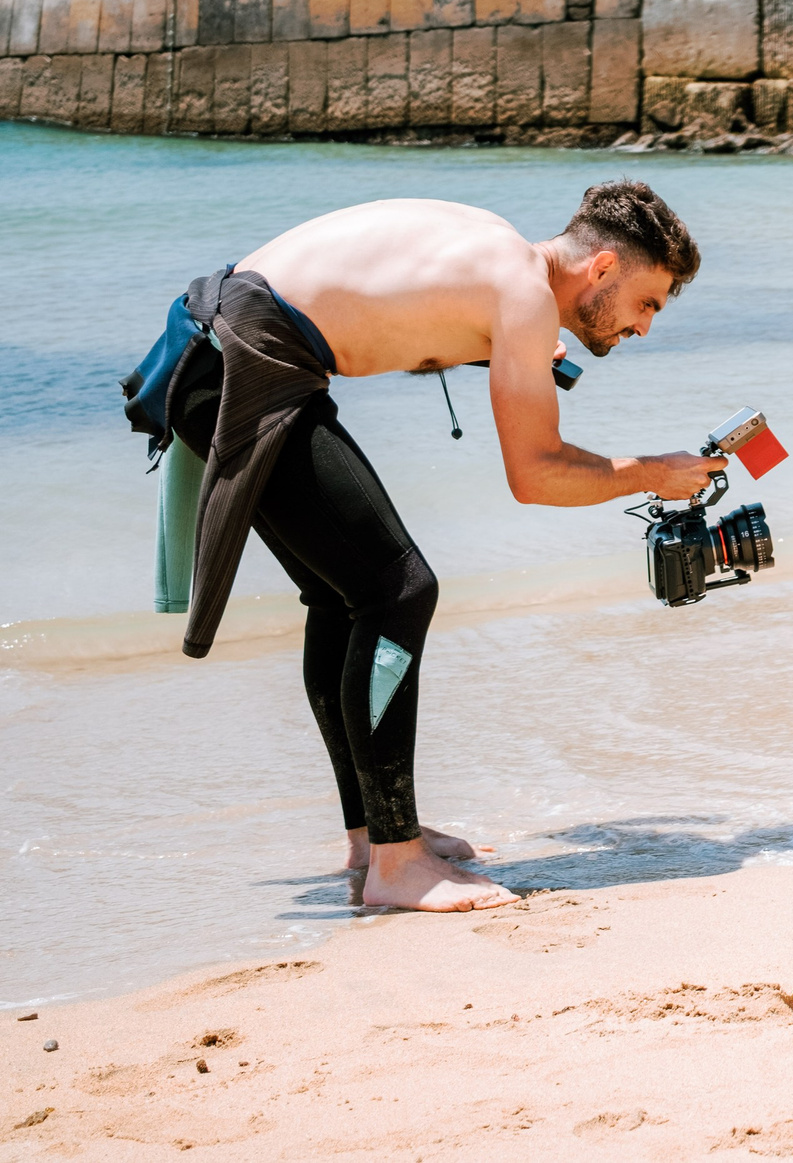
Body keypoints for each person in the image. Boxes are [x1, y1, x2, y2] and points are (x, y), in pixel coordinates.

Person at [147, 183, 729, 912]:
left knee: (345, 594)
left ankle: (375, 839)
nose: (643, 327)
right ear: (603, 266)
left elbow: (385, 310)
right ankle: (397, 866)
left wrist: (498, 346)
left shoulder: (500, 258)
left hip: (225, 352)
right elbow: (535, 475)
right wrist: (652, 473)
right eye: (648, 303)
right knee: (398, 589)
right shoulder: (521, 290)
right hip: (247, 361)